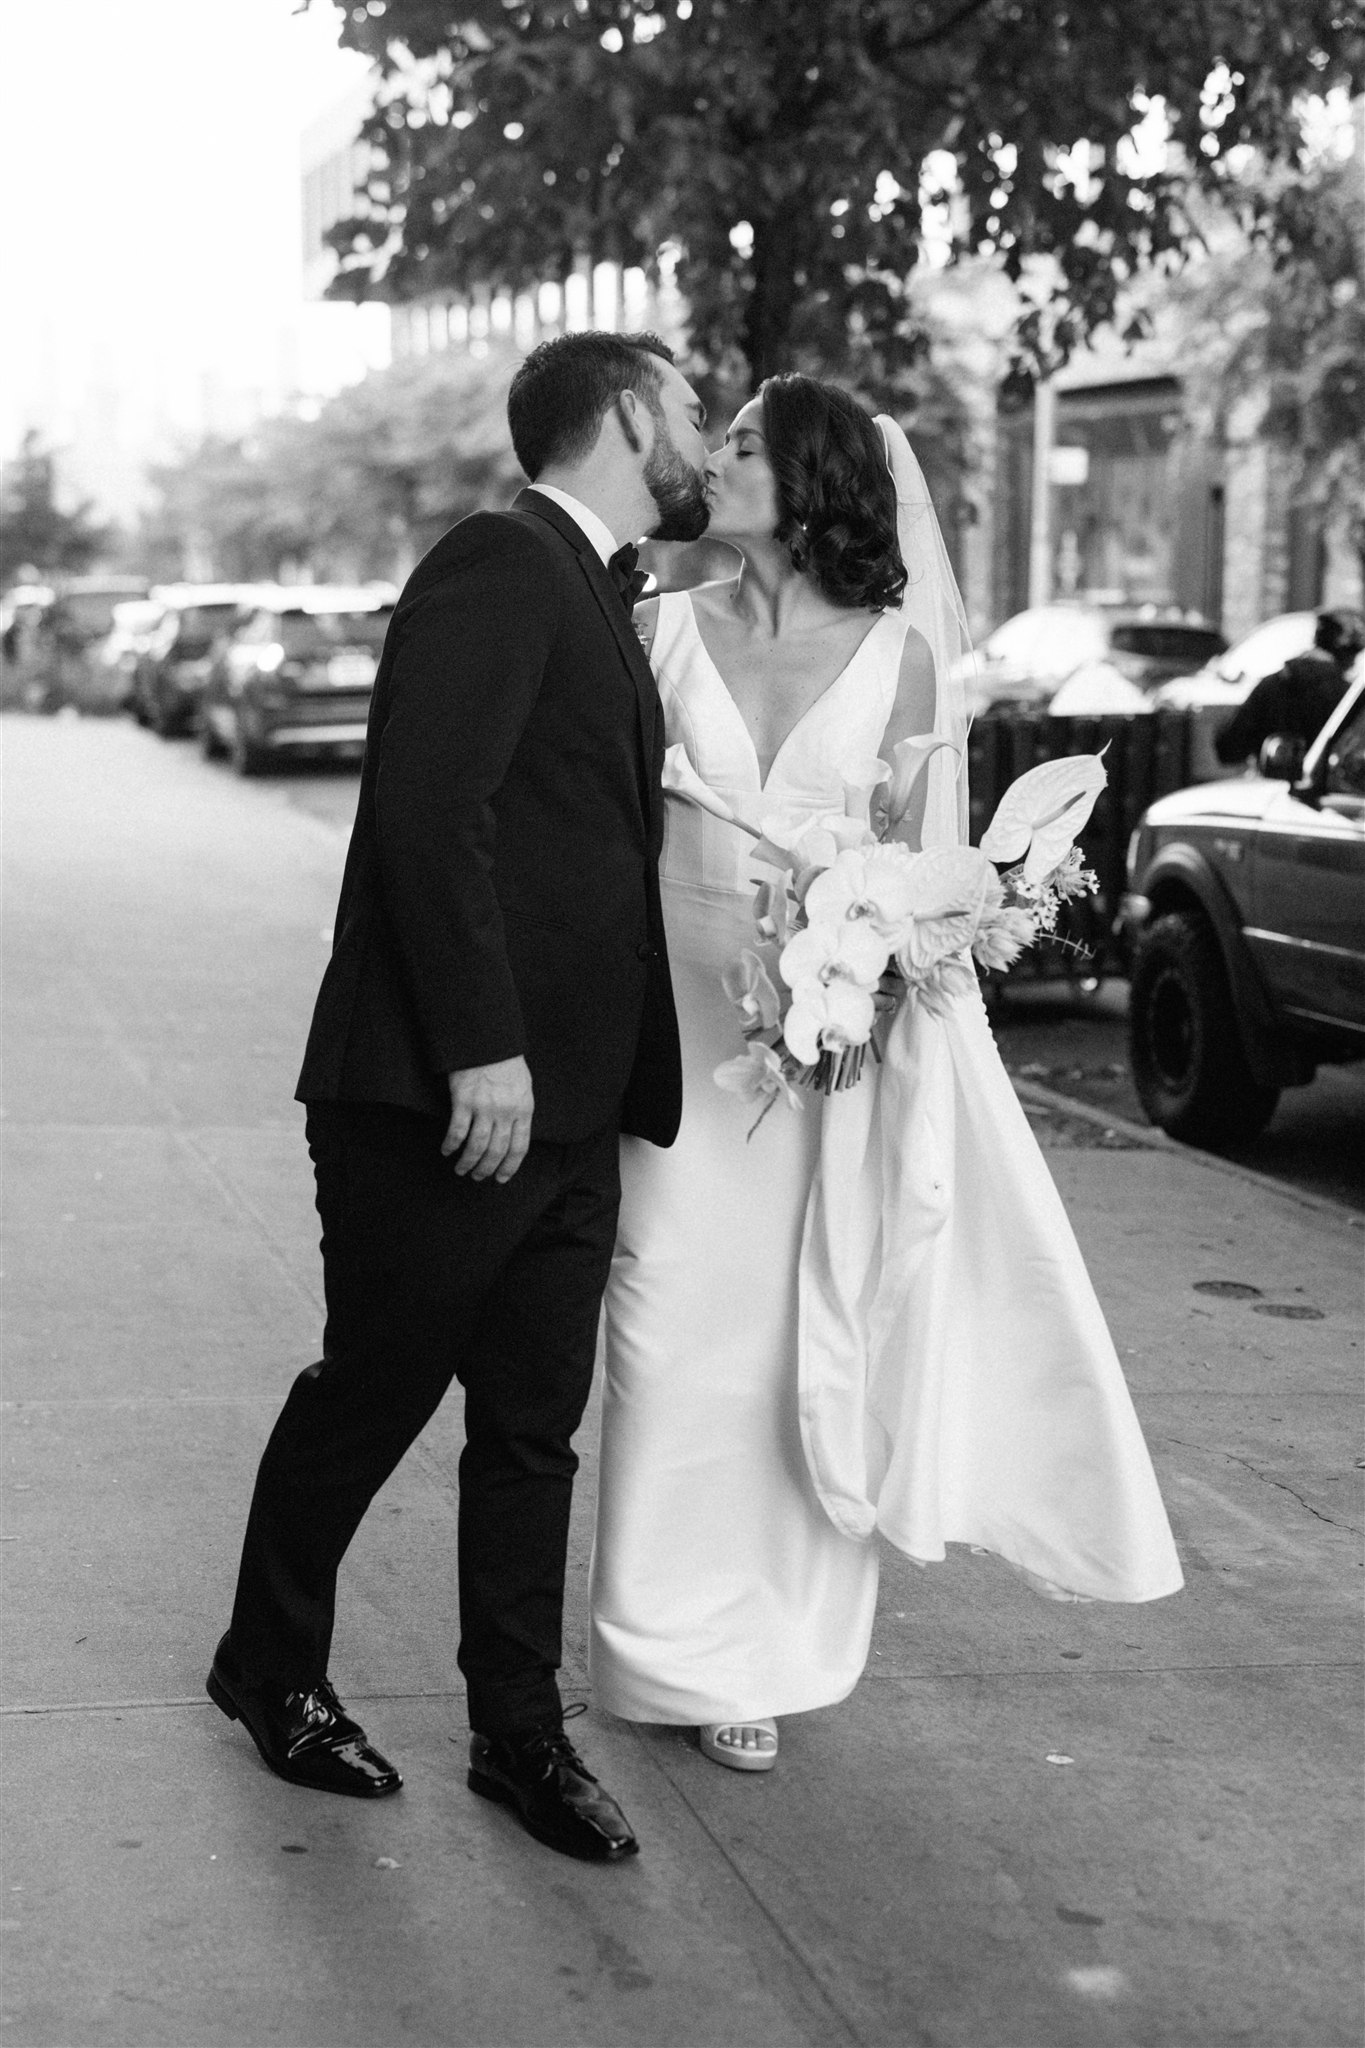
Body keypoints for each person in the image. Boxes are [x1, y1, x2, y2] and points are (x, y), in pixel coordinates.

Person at [589, 375, 1183, 1772]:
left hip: (825, 1049)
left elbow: (932, 879)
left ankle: (764, 1659)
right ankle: (658, 1642)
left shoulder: (898, 661)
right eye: (717, 438)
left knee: (806, 1340)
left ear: (810, 483)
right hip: (669, 1031)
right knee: (666, 1323)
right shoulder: (653, 629)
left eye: (742, 446)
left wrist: (874, 989)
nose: (713, 460)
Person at [209, 331, 708, 1863]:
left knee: (531, 1432)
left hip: (571, 1109)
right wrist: (482, 1046)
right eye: (688, 405)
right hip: (444, 1098)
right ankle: (270, 1667)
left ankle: (519, 1734)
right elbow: (432, 814)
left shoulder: (601, 592)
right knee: (376, 1386)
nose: (699, 428)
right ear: (625, 413)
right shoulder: (499, 561)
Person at [1215, 608, 1365, 766]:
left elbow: (1228, 748)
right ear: (1349, 655)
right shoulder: (1349, 697)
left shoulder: (1272, 685)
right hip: (1330, 789)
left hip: (1269, 786)